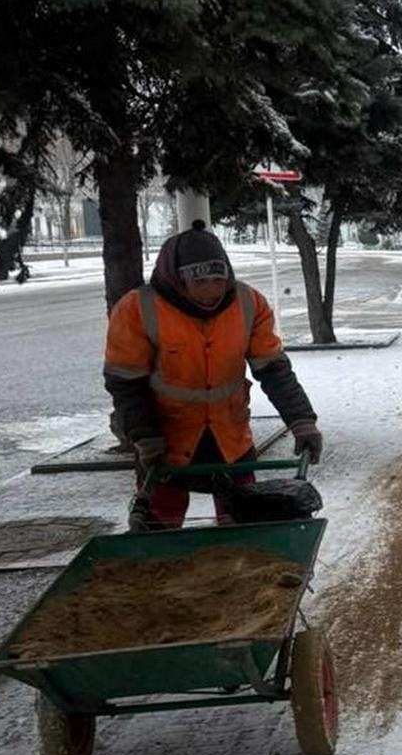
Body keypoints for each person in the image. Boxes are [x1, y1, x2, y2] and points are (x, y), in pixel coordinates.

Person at [104, 220, 323, 529]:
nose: (211, 291)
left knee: (242, 523)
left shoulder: (249, 304)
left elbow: (274, 371)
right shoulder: (138, 309)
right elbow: (126, 383)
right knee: (157, 528)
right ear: (177, 280)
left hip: (229, 437)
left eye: (217, 280)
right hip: (165, 439)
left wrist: (302, 422)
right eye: (200, 282)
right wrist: (144, 435)